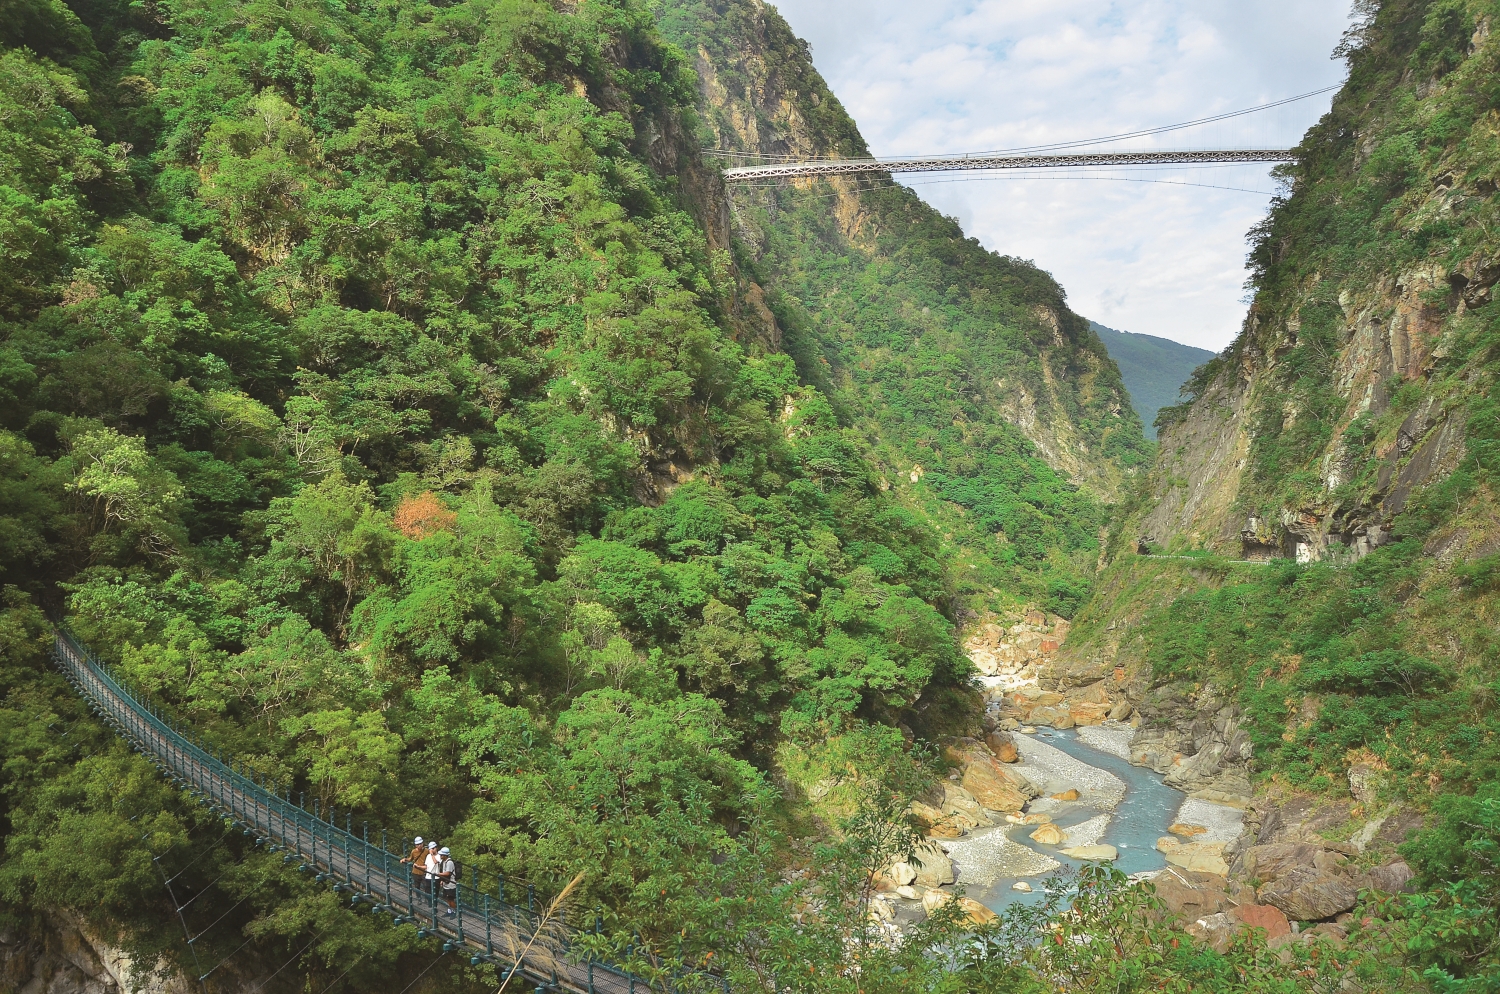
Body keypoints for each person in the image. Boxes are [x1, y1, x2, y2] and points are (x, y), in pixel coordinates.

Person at [437, 847, 457, 917]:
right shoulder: (444, 862)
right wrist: (442, 880)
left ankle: (454, 912)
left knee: (451, 899)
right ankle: (449, 911)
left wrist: (438, 874)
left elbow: (448, 873)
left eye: (442, 855)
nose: (440, 856)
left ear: (445, 855)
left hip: (451, 884)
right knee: (447, 899)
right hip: (446, 883)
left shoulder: (449, 862)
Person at [423, 841, 440, 905]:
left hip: (436, 877)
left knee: (435, 892)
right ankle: (430, 904)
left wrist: (432, 854)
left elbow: (436, 862)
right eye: (431, 849)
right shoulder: (428, 856)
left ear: (436, 848)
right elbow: (426, 866)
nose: (432, 850)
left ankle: (435, 906)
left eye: (433, 848)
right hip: (428, 877)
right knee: (428, 892)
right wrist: (418, 866)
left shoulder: (439, 856)